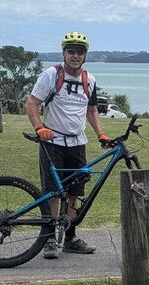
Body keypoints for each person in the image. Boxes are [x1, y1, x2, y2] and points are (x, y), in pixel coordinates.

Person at [25, 31, 111, 259]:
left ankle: (70, 237)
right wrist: (39, 128)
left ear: (85, 55)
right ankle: (51, 239)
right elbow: (32, 103)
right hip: (53, 142)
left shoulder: (89, 80)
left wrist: (101, 134)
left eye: (80, 51)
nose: (75, 55)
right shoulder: (52, 75)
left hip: (77, 143)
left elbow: (91, 111)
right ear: (63, 53)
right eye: (71, 51)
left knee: (75, 191)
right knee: (54, 192)